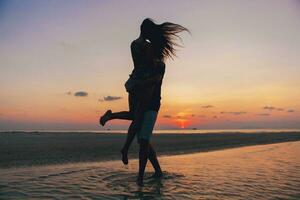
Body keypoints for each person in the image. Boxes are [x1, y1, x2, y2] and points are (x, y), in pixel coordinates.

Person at [99, 18, 189, 186]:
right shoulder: (151, 59)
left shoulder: (145, 53)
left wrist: (142, 37)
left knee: (140, 131)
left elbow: (150, 75)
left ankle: (155, 171)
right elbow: (152, 78)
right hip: (148, 98)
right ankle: (140, 178)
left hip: (139, 90)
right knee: (143, 139)